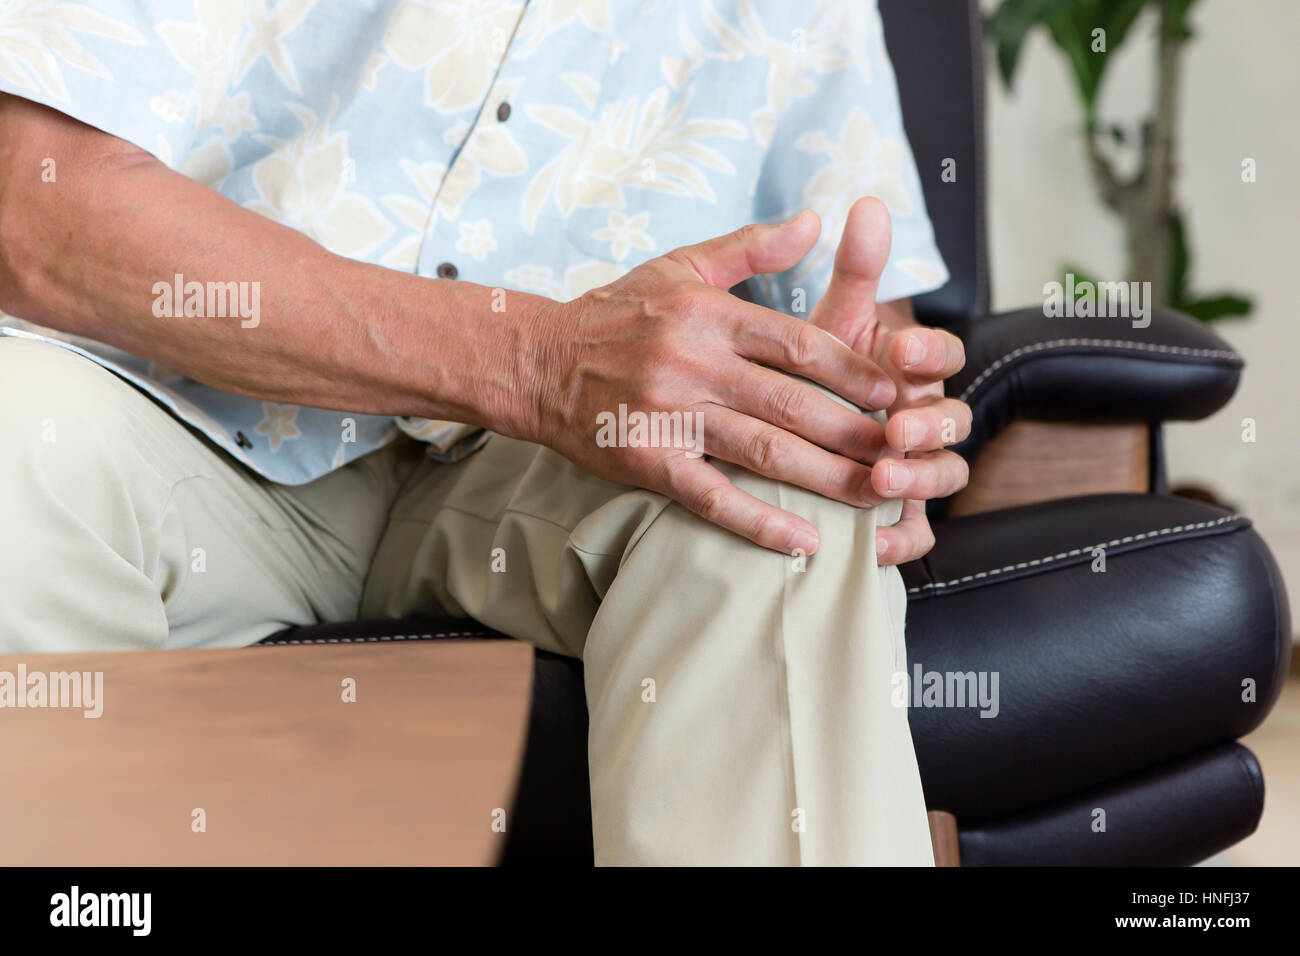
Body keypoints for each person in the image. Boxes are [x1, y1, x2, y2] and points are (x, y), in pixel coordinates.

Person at [0, 0, 970, 865]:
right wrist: (538, 361)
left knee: (781, 491)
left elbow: (866, 309)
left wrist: (873, 419)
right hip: (183, 420)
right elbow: (31, 208)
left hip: (544, 474)